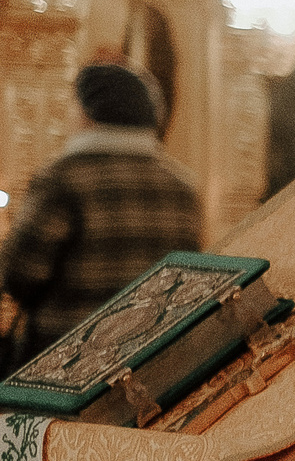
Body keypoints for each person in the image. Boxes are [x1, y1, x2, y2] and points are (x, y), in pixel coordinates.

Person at [1, 61, 202, 370]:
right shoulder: (183, 188)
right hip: (149, 362)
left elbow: (20, 275)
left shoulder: (63, 178)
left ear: (86, 113)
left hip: (65, 362)